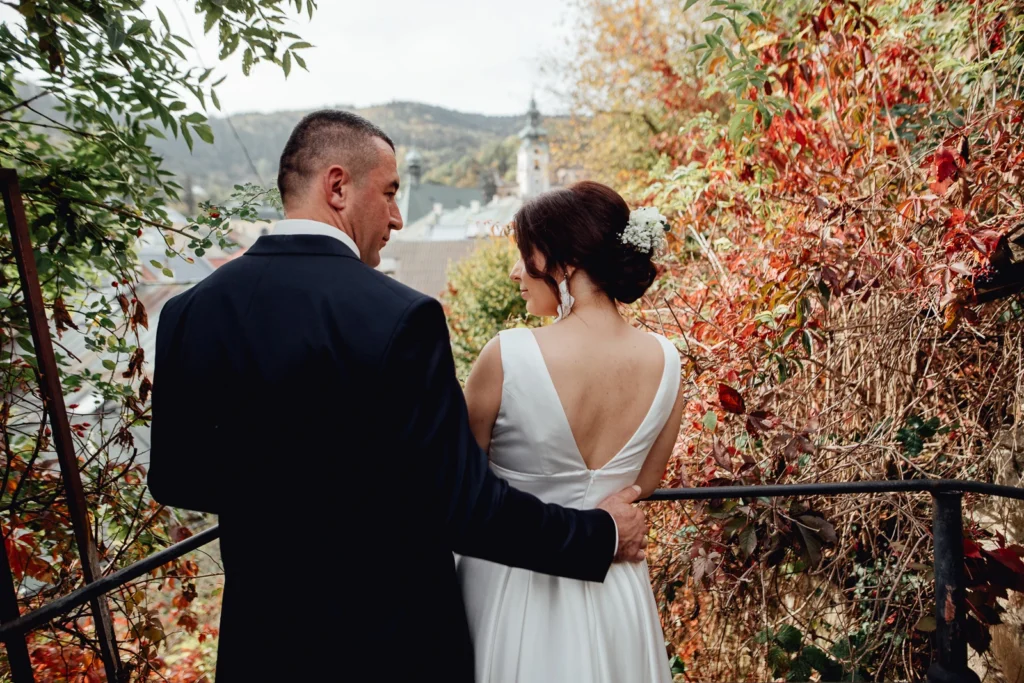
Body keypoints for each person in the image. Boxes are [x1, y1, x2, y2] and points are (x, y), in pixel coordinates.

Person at [148, 111, 649, 681]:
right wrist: (598, 534)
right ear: (337, 187)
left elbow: (176, 477)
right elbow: (466, 507)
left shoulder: (188, 313)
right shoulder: (399, 317)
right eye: (388, 193)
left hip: (262, 640)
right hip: (387, 640)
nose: (398, 216)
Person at [459, 181, 685, 683]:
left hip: (513, 582)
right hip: (615, 585)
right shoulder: (666, 361)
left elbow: (461, 485)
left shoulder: (507, 355)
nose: (515, 271)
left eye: (524, 254)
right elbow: (643, 483)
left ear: (564, 264)